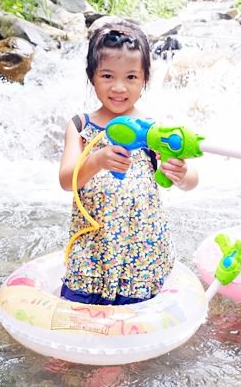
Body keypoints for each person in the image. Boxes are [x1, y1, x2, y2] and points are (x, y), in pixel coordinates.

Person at [58, 20, 199, 305]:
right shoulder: (80, 126)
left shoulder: (152, 130)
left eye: (131, 77)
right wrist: (96, 160)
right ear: (92, 76)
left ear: (145, 78)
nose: (119, 87)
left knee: (134, 326)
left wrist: (181, 173)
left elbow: (191, 180)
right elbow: (66, 181)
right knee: (77, 317)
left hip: (141, 251)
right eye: (108, 76)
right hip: (92, 248)